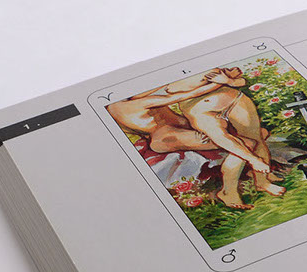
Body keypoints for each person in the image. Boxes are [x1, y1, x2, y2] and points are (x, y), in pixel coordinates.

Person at [105, 68, 281, 209]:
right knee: (247, 143)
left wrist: (229, 79)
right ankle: (230, 191)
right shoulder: (130, 104)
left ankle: (258, 177)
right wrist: (221, 82)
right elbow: (183, 96)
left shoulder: (125, 100)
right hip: (166, 137)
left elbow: (161, 89)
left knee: (258, 134)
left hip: (175, 130)